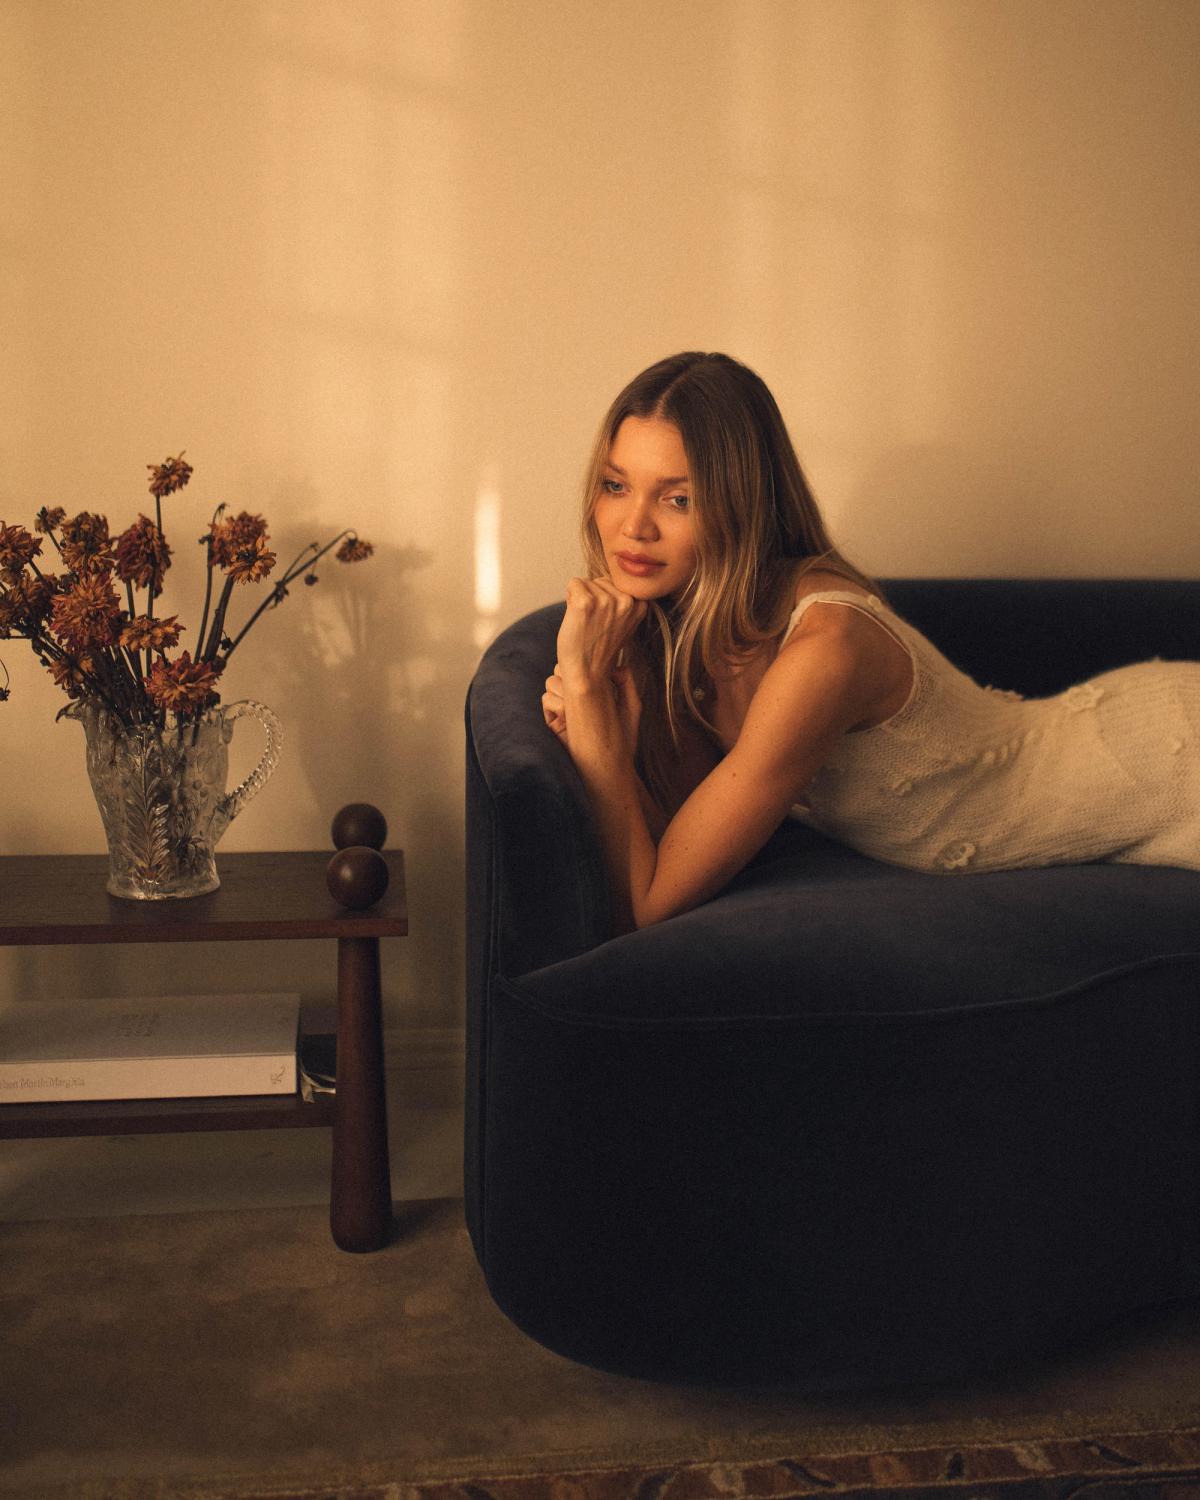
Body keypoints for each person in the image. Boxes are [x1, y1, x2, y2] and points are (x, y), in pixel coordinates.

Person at [542, 351, 1200, 933]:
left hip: (1164, 762)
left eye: (678, 499)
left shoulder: (826, 650)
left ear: (742, 506)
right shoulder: (682, 629)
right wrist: (613, 727)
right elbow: (663, 848)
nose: (633, 526)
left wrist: (590, 700)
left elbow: (646, 905)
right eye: (616, 485)